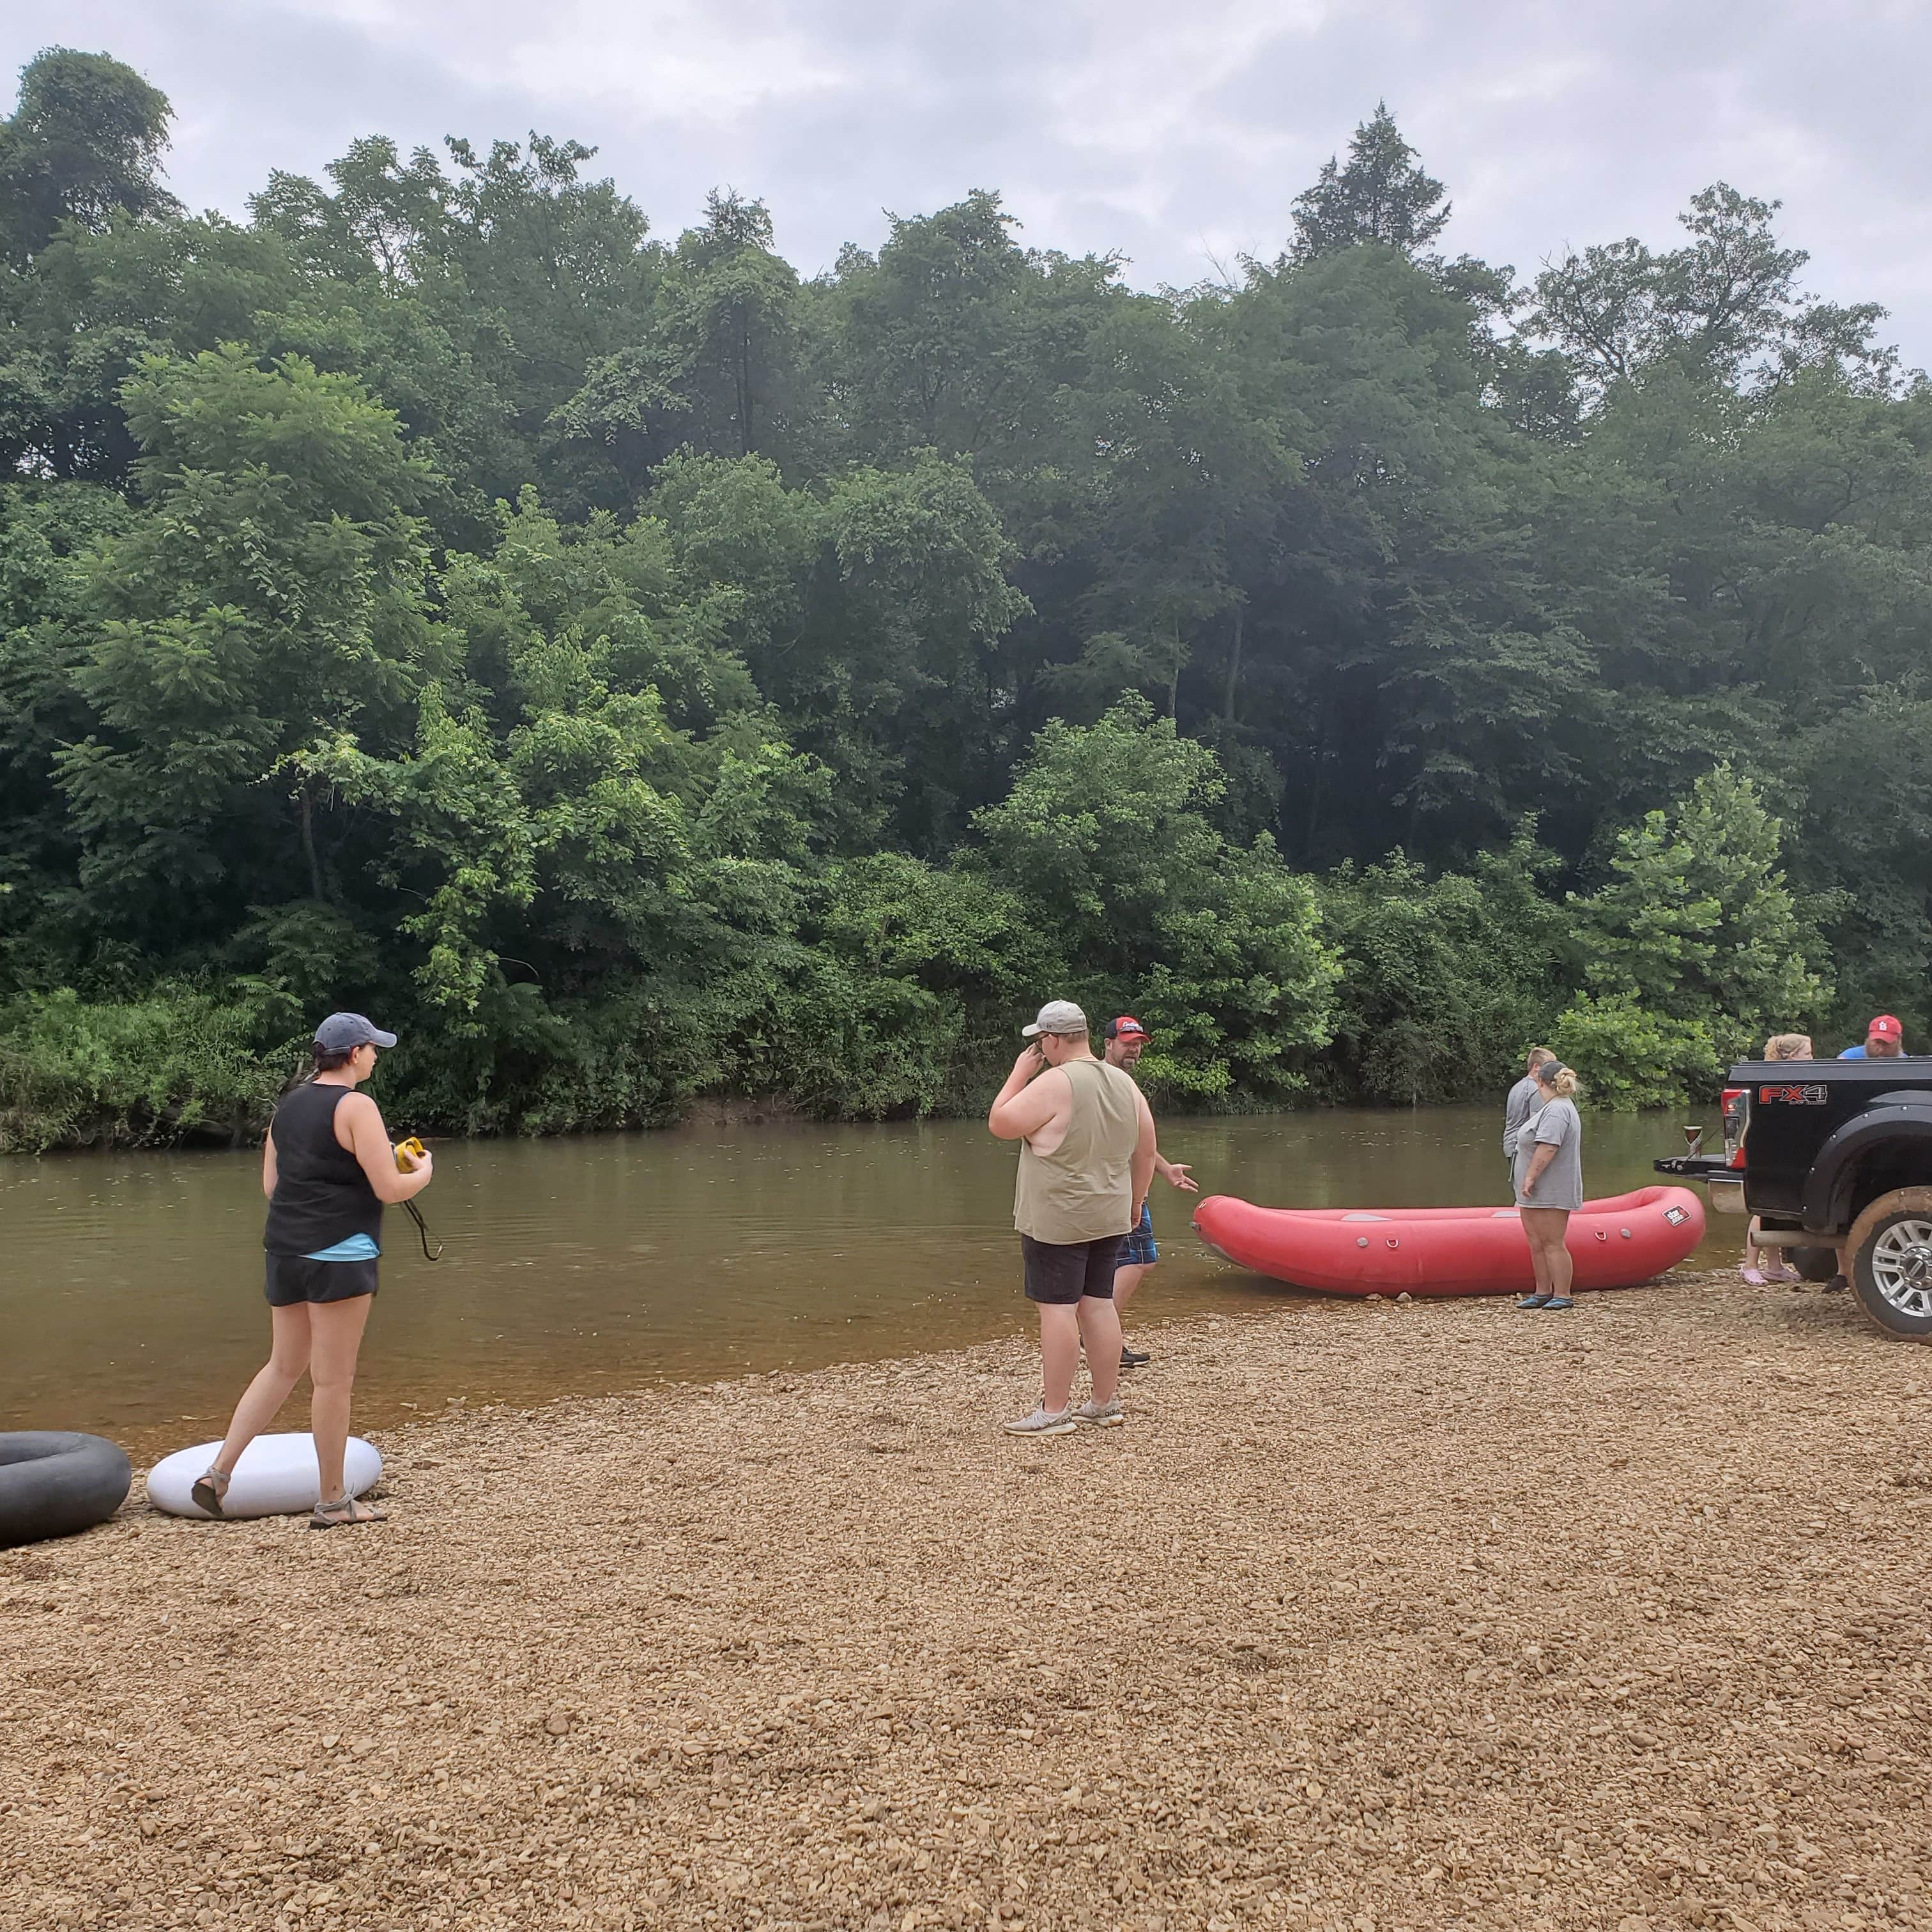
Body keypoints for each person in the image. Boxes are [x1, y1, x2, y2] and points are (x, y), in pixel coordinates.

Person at [192, 1013, 434, 1529]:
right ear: (353, 1054)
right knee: (333, 1382)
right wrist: (424, 1172)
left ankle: (218, 1473)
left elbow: (275, 1188)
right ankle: (332, 1502)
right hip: (340, 1256)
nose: (375, 1056)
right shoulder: (357, 1105)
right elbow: (390, 1189)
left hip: (284, 1252)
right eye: (373, 1048)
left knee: (283, 1366)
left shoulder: (288, 1107)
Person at [988, 1000, 1155, 1436]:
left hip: (1059, 1217)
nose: (1040, 1048)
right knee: (1097, 1304)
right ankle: (1103, 1403)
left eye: (1041, 1040)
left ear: (1055, 1039)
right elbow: (1146, 1149)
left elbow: (1000, 1122)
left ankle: (1054, 1411)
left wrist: (1020, 1074)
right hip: (1110, 1214)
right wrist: (1137, 1201)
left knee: (1057, 1310)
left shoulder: (1055, 1082)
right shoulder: (1123, 1083)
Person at [1101, 1015, 1199, 1368]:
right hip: (1121, 1191)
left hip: (1111, 1189)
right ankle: (1099, 1337)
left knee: (1112, 1264)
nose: (1135, 1048)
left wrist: (1165, 1168)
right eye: (1127, 1042)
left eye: (1139, 1043)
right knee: (1141, 1259)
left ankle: (1098, 1336)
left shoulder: (1108, 1080)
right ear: (1108, 1043)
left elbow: (1137, 1142)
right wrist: (1137, 1197)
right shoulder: (1114, 1084)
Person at [1513, 1059, 1584, 1312]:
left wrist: (1530, 1177)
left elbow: (1548, 1146)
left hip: (1551, 1187)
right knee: (1536, 1242)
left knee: (1553, 1241)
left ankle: (1562, 1294)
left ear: (1541, 1082)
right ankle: (1542, 1291)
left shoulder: (1557, 1110)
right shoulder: (1552, 1107)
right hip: (1535, 1191)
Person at [1743, 1034, 1813, 1285]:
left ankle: (1774, 1267)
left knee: (1777, 1211)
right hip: (1771, 1152)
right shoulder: (1775, 1078)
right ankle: (1750, 1265)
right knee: (1762, 1211)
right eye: (1808, 1054)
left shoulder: (1801, 1079)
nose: (1812, 1058)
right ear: (1793, 1056)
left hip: (1791, 1150)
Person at [1503, 1046, 1557, 1165]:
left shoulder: (1517, 1087)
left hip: (1509, 1145)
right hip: (1522, 1148)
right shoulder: (1536, 1090)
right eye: (1548, 1067)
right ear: (1536, 1067)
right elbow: (1537, 1125)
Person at [1839, 1015, 1905, 1059]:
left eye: (1886, 1044)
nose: (1881, 1049)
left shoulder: (1907, 1066)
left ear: (1899, 1040)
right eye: (1877, 1043)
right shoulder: (1849, 1058)